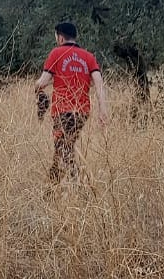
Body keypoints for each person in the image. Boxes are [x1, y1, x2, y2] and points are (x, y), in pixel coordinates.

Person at [34, 22, 109, 184]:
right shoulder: (89, 57)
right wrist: (103, 111)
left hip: (62, 111)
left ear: (60, 37)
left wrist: (36, 88)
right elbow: (99, 84)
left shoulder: (56, 53)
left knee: (63, 148)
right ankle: (52, 189)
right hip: (82, 112)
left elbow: (43, 82)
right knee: (63, 148)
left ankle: (79, 184)